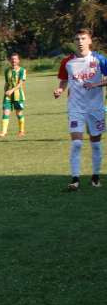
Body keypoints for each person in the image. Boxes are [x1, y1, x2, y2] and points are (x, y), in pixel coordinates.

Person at [53, 28, 107, 190]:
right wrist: (60, 90)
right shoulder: (67, 62)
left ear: (90, 41)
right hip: (75, 108)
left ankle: (95, 176)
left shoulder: (100, 59)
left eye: (83, 38)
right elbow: (64, 81)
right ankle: (75, 179)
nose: (80, 42)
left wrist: (96, 84)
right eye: (77, 39)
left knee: (96, 144)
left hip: (95, 108)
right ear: (74, 42)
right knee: (76, 143)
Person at [0, 53, 26, 137]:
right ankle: (3, 132)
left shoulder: (22, 70)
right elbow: (7, 83)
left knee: (19, 113)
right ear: (10, 60)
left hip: (18, 95)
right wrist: (5, 91)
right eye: (12, 59)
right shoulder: (7, 70)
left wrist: (12, 90)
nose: (13, 60)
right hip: (8, 95)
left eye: (15, 59)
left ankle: (21, 131)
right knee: (5, 112)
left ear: (18, 60)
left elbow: (20, 83)